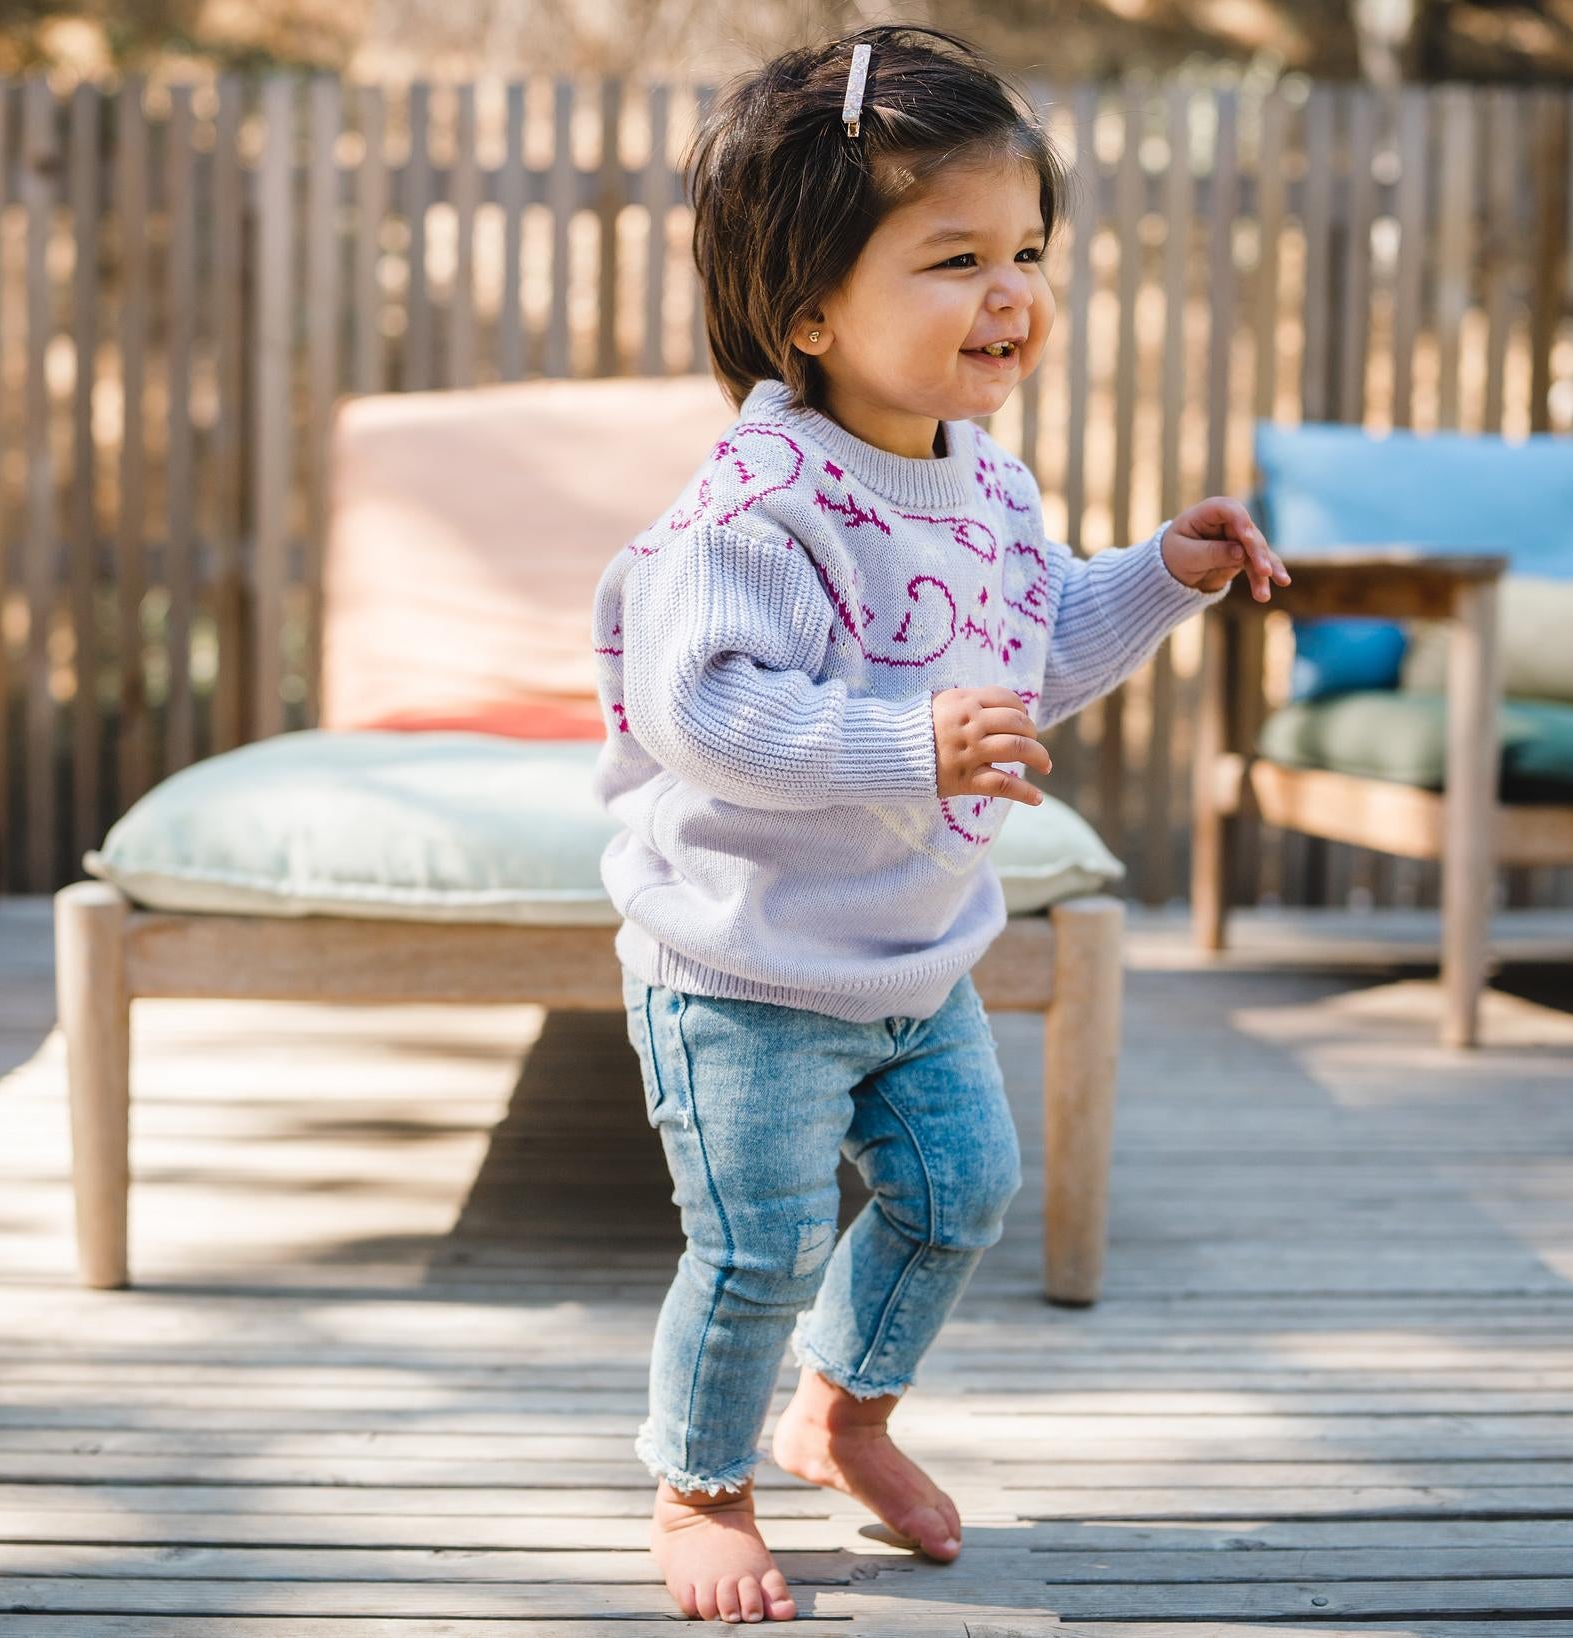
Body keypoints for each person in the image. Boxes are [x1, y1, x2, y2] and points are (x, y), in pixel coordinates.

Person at [590, 24, 1288, 1623]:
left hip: (913, 957)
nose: (1011, 293)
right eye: (955, 258)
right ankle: (699, 1485)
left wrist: (1159, 578)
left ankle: (843, 1413)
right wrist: (911, 740)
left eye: (1027, 251)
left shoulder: (988, 486)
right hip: (744, 967)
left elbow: (1025, 657)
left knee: (961, 1192)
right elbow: (708, 713)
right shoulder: (759, 501)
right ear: (810, 311)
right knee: (759, 1247)